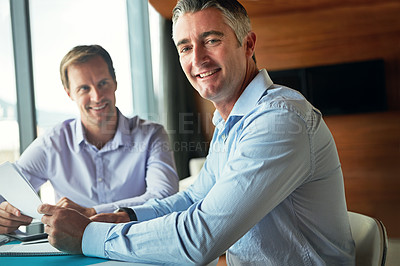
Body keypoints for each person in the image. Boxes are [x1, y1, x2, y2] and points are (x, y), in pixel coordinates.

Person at [38, 1, 355, 265]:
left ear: (248, 44)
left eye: (212, 40)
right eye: (185, 47)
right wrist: (121, 217)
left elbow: (201, 237)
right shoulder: (231, 122)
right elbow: (193, 198)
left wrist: (88, 236)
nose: (197, 59)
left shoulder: (278, 120)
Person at [0, 45, 179, 234]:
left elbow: (164, 197)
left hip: (138, 242)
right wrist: (4, 214)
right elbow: (6, 190)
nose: (97, 96)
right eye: (84, 88)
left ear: (115, 82)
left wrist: (92, 212)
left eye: (103, 83)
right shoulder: (52, 143)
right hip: (74, 249)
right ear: (69, 93)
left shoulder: (151, 135)